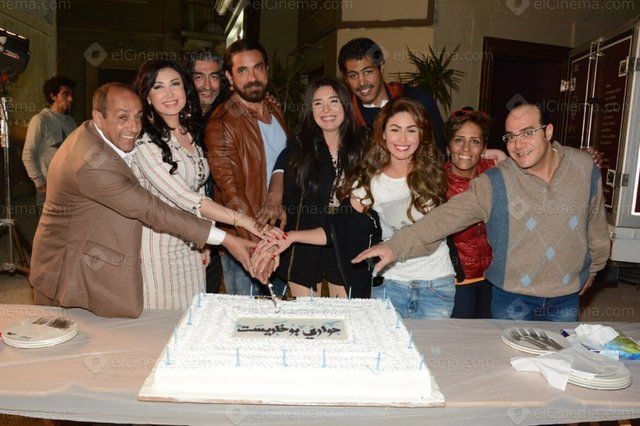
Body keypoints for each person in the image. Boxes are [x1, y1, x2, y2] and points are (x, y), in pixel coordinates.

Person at [354, 103, 611, 322]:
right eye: (511, 136)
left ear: (549, 131)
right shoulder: (497, 180)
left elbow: (595, 222)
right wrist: (394, 246)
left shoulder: (584, 166)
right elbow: (445, 218)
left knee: (561, 361)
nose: (518, 144)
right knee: (506, 360)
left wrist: (595, 268)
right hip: (512, 297)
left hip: (566, 295)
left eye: (528, 132)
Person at [29, 83, 257, 318]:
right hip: (66, 272)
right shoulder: (91, 162)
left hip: (91, 258)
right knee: (69, 337)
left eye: (138, 116)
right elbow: (152, 210)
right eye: (122, 117)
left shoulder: (94, 131)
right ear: (98, 117)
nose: (134, 126)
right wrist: (226, 239)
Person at [263, 98, 456, 318]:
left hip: (436, 286)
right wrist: (291, 237)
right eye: (395, 129)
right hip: (391, 285)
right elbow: (338, 229)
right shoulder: (370, 181)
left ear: (421, 134)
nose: (403, 139)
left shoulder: (437, 174)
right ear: (383, 134)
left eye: (411, 130)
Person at [132, 59, 281, 309]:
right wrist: (245, 222)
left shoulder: (188, 131)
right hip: (159, 249)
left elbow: (201, 186)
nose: (169, 94)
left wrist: (206, 239)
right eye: (158, 87)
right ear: (147, 96)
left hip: (194, 245)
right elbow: (189, 200)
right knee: (166, 321)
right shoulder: (145, 142)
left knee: (193, 317)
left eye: (175, 84)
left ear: (185, 88)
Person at [205, 39, 288, 296]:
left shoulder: (274, 108)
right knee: (246, 317)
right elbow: (232, 195)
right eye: (242, 70)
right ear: (230, 77)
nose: (252, 78)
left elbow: (284, 163)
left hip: (279, 236)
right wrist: (260, 246)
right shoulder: (222, 124)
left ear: (267, 70)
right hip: (246, 242)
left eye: (258, 68)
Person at [271, 77, 364, 298]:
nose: (326, 110)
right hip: (304, 240)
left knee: (344, 311)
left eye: (333, 101)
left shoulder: (361, 144)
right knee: (308, 314)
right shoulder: (299, 146)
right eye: (318, 103)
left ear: (345, 105)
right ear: (310, 109)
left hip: (346, 239)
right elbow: (290, 197)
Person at [337, 37, 445, 152]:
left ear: (381, 68)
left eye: (367, 72)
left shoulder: (418, 100)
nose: (362, 82)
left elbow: (439, 150)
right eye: (353, 75)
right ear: (346, 80)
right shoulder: (345, 116)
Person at [443, 108, 498, 318]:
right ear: (448, 145)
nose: (466, 149)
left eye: (474, 141)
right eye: (458, 140)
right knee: (460, 334)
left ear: (484, 147)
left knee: (491, 333)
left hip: (494, 276)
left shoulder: (497, 173)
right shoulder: (435, 181)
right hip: (457, 279)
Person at [185, 49, 229, 294]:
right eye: (198, 76)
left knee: (210, 288)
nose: (207, 85)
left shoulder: (229, 113)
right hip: (183, 215)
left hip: (220, 212)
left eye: (214, 76)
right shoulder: (176, 113)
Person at [22, 76, 77, 214]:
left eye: (71, 94)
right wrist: (41, 185)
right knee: (48, 227)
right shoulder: (40, 120)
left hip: (68, 189)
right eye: (65, 94)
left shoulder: (71, 122)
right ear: (53, 96)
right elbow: (28, 154)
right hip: (48, 190)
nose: (71, 99)